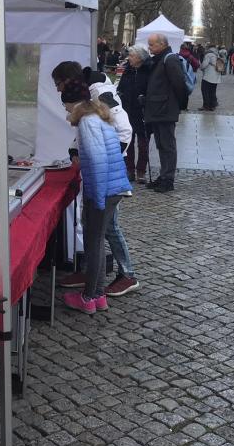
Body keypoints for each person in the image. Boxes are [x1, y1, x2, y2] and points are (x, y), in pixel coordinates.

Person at [52, 65, 140, 299]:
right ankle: (91, 276)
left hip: (107, 183)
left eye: (58, 85)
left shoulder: (97, 97)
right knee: (92, 227)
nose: (58, 92)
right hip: (105, 180)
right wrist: (75, 151)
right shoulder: (87, 109)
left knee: (104, 228)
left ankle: (125, 274)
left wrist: (106, 157)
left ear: (70, 84)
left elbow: (123, 130)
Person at [144, 33, 188, 193]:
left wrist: (179, 105)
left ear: (162, 44)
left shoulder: (170, 59)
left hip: (165, 109)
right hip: (157, 109)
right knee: (161, 144)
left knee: (167, 145)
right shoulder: (158, 59)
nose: (149, 48)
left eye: (152, 45)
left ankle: (168, 178)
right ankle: (164, 175)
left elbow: (179, 84)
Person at [117, 45, 151, 182]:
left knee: (143, 143)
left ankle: (141, 171)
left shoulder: (148, 70)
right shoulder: (128, 70)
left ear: (139, 58)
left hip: (142, 111)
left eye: (131, 56)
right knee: (128, 142)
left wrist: (146, 99)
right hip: (128, 110)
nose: (129, 58)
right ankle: (129, 170)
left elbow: (152, 89)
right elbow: (121, 87)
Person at [198, 44, 220, 111]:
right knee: (212, 91)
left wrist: (201, 67)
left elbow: (204, 64)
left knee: (205, 90)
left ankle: (206, 105)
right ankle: (212, 105)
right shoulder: (217, 54)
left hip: (208, 76)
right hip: (216, 76)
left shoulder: (208, 54)